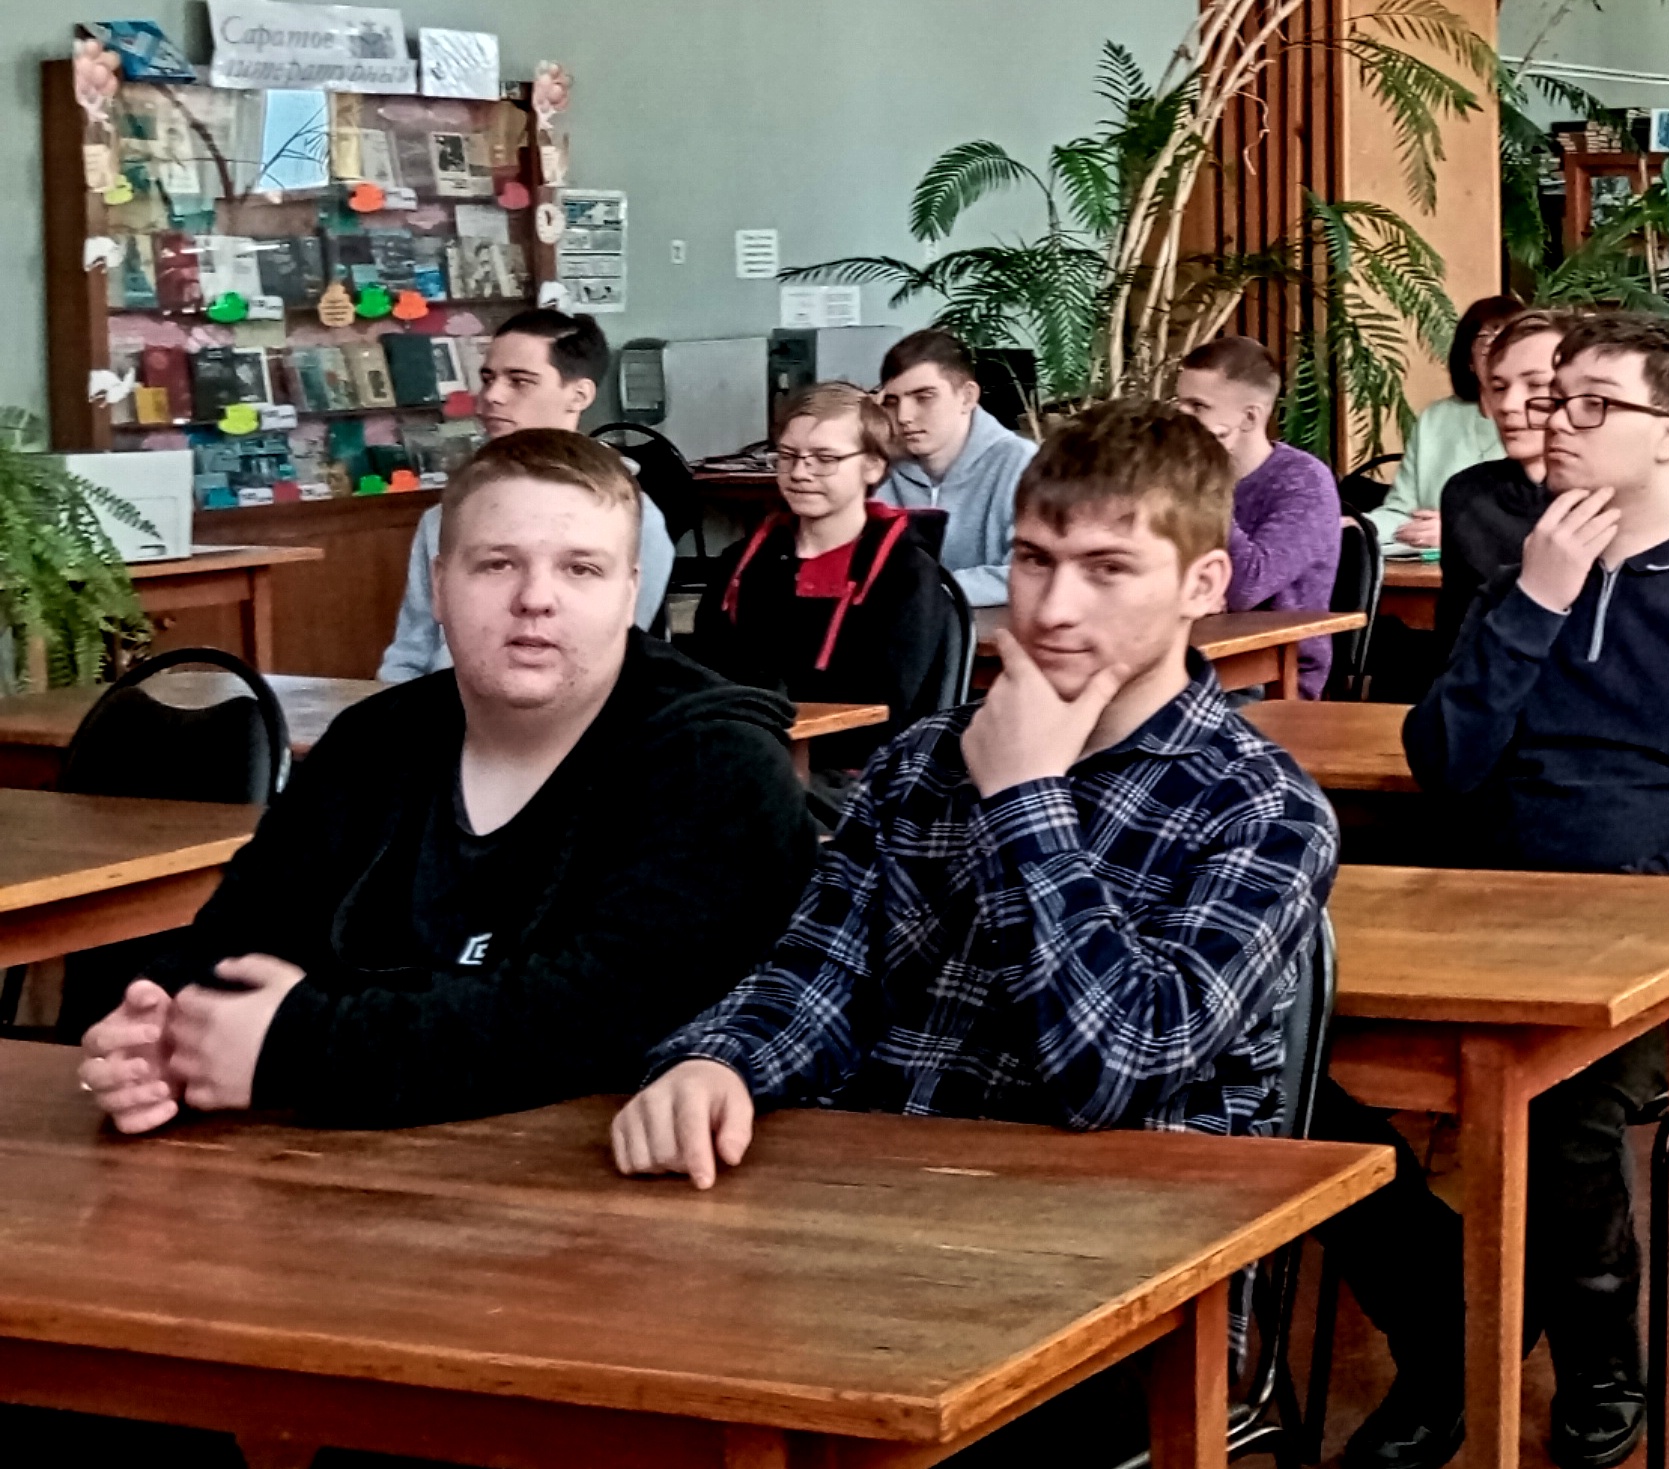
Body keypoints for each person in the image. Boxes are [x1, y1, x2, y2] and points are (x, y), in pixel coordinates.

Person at [607, 400, 1399, 1465]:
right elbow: (818, 970)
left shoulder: (1260, 809)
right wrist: (718, 1060)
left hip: (1124, 1279)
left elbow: (1112, 1070)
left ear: (1202, 585)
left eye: (1108, 569)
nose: (1054, 607)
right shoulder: (922, 761)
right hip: (878, 1228)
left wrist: (1027, 796)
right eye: (1033, 560)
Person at [77, 429, 815, 1133]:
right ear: (438, 584)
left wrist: (301, 1044)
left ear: (631, 593)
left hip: (616, 1181)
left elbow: (606, 1015)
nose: (535, 597)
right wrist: (161, 1031)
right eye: (497, 564)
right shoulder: (372, 741)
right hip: (330, 1171)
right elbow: (237, 936)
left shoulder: (718, 764)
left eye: (580, 569)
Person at [1398, 312, 1669, 1469]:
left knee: (1559, 1107)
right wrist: (1535, 606)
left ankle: (1599, 1360)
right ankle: (1454, 1329)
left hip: (1664, 949)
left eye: (1593, 404)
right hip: (1497, 917)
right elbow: (1442, 763)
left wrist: (1624, 897)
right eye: (1554, 399)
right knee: (1302, 1073)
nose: (1556, 421)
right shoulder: (1522, 580)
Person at [679, 382, 961, 781]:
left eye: (824, 459)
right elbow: (704, 672)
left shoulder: (904, 574)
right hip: (737, 758)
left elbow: (887, 711)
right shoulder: (741, 563)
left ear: (873, 466)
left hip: (856, 776)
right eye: (788, 456)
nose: (799, 472)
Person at [376, 309, 674, 681]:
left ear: (578, 395)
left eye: (519, 381)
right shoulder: (446, 514)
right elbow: (409, 652)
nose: (492, 396)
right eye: (488, 379)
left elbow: (619, 658)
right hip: (440, 707)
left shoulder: (628, 517)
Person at [1173, 333, 1345, 693]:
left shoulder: (1303, 482)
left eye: (1197, 406)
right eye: (1179, 403)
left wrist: (1206, 483)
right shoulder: (1178, 475)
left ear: (1249, 418)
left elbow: (1245, 587)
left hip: (1271, 676)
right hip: (1183, 652)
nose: (1180, 418)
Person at [870, 327, 1037, 608]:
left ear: (967, 397)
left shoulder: (1022, 464)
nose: (903, 416)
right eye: (892, 401)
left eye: (924, 397)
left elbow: (1031, 572)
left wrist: (923, 589)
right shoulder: (876, 466)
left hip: (990, 629)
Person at [1435, 309, 1569, 631]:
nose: (1508, 405)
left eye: (1536, 385)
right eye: (1498, 387)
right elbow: (1454, 637)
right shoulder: (1467, 496)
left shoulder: (1619, 499)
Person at [1376, 294, 1528, 551]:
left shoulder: (1543, 421)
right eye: (1486, 339)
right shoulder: (1435, 419)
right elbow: (1402, 513)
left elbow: (1537, 521)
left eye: (1509, 340)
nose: (1498, 351)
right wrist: (1357, 527)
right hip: (1424, 569)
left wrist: (1460, 531)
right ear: (1469, 359)